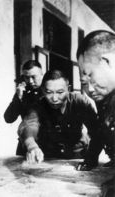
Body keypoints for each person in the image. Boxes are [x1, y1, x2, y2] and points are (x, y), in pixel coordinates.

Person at [17, 69, 98, 164]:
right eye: (49, 92)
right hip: (49, 158)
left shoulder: (80, 102)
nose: (54, 99)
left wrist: (92, 155)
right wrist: (32, 146)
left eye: (60, 92)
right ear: (42, 90)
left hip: (78, 156)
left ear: (69, 89)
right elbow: (28, 125)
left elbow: (96, 130)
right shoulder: (38, 106)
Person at [76, 30, 115, 197]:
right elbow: (102, 129)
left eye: (90, 75)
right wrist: (91, 157)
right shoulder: (106, 97)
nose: (90, 89)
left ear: (107, 61)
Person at [4, 60, 43, 155]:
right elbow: (8, 118)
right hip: (26, 141)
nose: (30, 81)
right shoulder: (22, 93)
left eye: (34, 77)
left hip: (46, 143)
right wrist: (19, 97)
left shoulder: (49, 90)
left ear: (42, 74)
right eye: (26, 77)